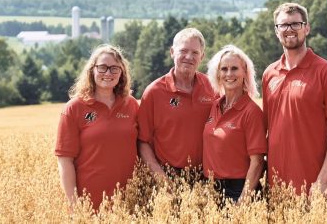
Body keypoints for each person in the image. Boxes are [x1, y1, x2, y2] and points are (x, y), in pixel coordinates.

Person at [262, 2, 327, 194]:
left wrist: (323, 181)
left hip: (314, 189)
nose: (289, 29)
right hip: (275, 188)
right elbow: (266, 129)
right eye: (283, 25)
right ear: (276, 31)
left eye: (296, 24)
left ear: (306, 28)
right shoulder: (269, 74)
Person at [55, 44, 139, 210]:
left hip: (129, 203)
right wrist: (75, 206)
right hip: (89, 204)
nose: (108, 73)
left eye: (115, 68)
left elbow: (143, 146)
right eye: (102, 67)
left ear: (122, 72)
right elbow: (65, 160)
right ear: (91, 70)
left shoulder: (131, 105)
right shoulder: (74, 108)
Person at [137, 27, 215, 177]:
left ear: (202, 56)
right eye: (183, 51)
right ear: (172, 52)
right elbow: (142, 142)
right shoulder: (154, 92)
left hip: (206, 177)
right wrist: (161, 178)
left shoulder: (211, 87)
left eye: (195, 53)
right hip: (168, 175)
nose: (189, 57)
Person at [203, 45, 267, 203]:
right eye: (224, 69)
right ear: (218, 74)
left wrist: (242, 201)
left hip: (238, 190)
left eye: (234, 68)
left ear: (245, 72)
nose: (229, 74)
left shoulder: (252, 112)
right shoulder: (215, 105)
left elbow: (257, 162)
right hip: (210, 189)